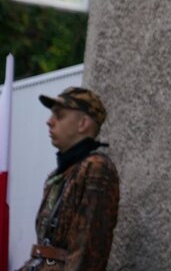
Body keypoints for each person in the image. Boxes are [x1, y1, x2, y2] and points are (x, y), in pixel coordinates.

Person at [19, 87, 120, 271]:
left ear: (82, 124)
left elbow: (88, 253)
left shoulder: (96, 168)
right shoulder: (58, 175)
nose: (49, 122)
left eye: (59, 115)